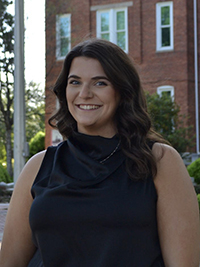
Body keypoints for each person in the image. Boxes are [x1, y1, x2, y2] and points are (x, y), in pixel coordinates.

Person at [0, 38, 199, 267]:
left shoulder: (160, 162)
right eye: (75, 82)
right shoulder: (38, 167)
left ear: (123, 91)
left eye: (100, 83)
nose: (84, 93)